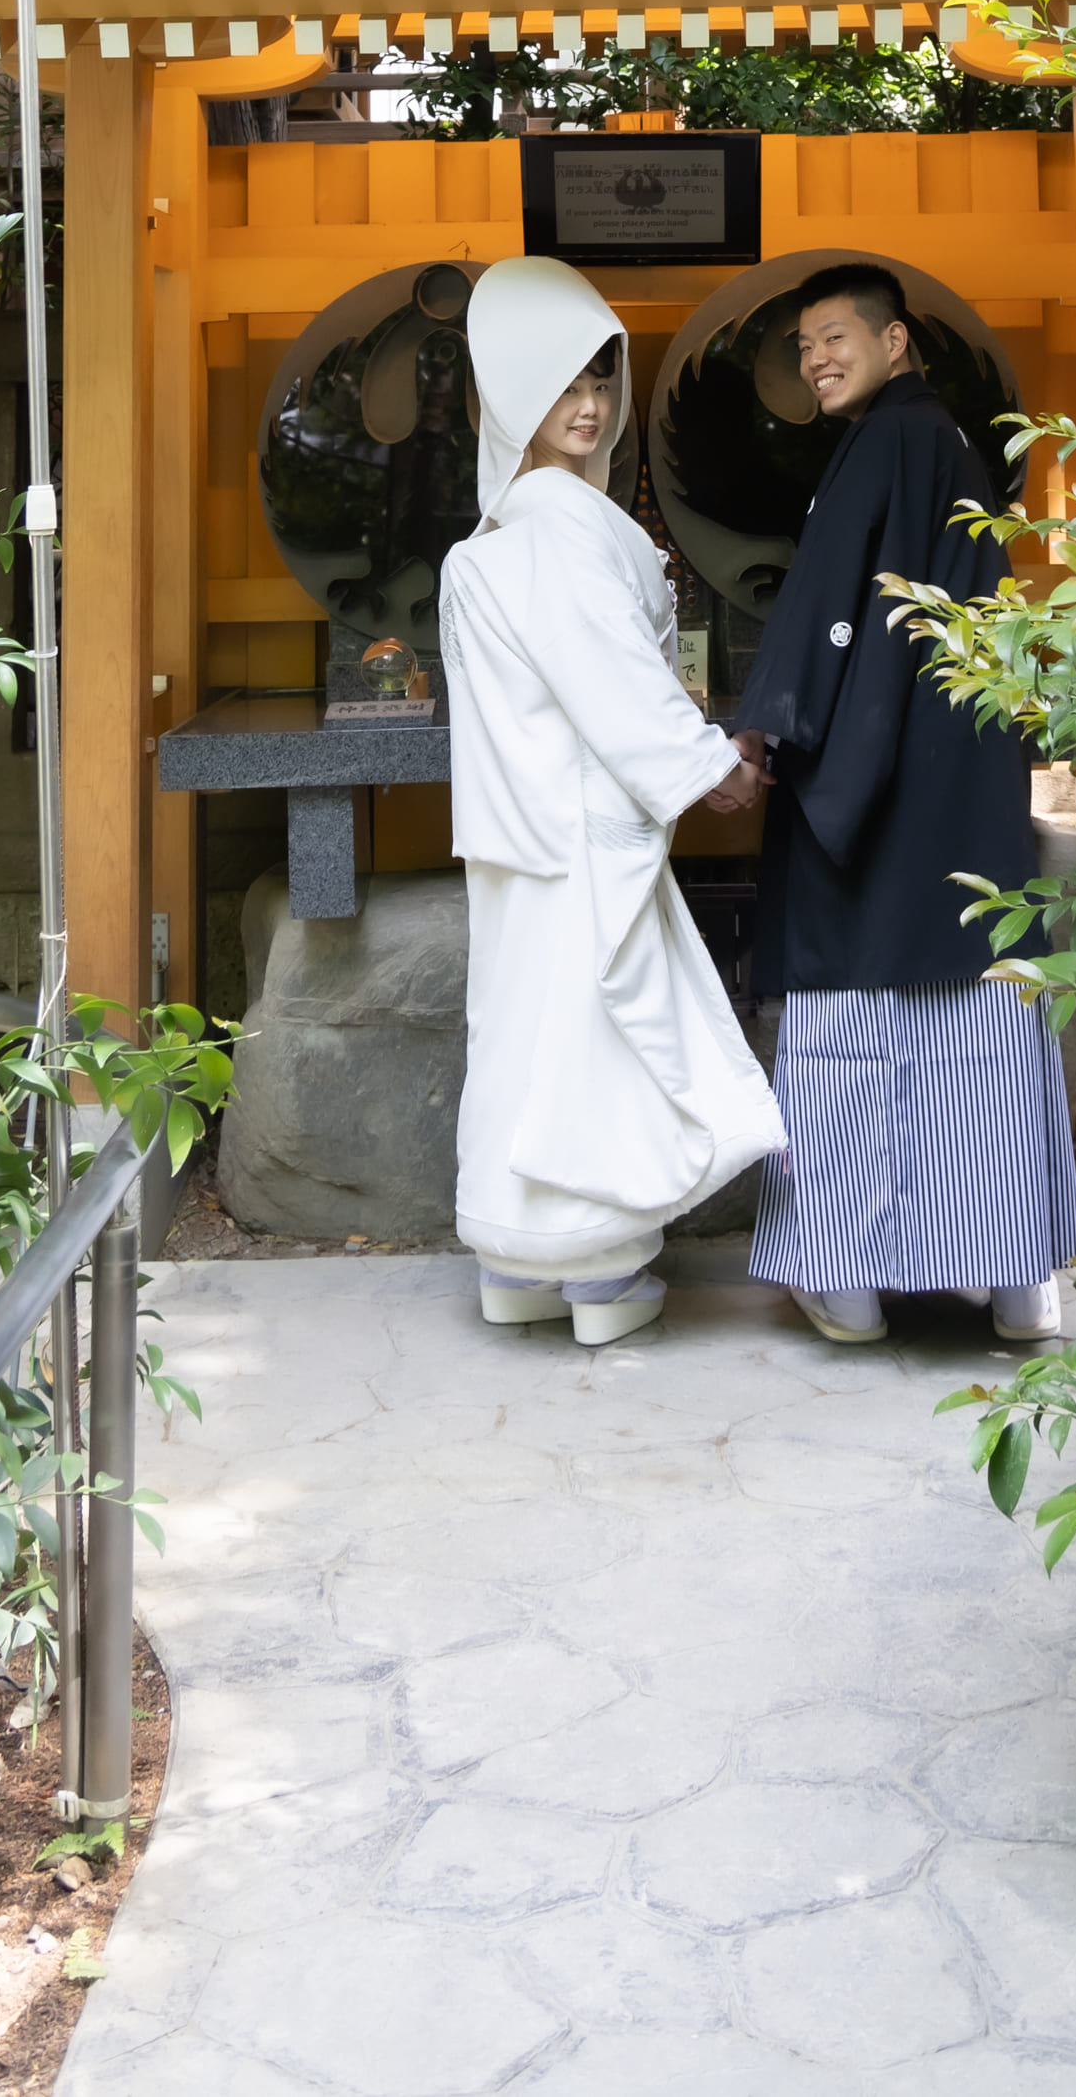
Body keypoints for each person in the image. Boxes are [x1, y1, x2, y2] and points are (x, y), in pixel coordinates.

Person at [731, 262, 1076, 1348]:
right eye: (800, 348)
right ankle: (1013, 1279)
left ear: (896, 345)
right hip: (957, 779)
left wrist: (763, 728)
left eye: (834, 336)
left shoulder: (886, 440)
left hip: (879, 791)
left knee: (848, 1017)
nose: (815, 359)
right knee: (979, 1010)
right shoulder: (949, 446)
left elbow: (830, 600)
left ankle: (844, 1279)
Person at [442, 256, 783, 1343]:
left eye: (599, 382)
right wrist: (707, 767)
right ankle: (594, 1271)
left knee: (523, 1035)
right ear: (506, 396)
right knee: (593, 1040)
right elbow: (614, 685)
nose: (586, 407)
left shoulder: (499, 534)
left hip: (520, 830)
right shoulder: (559, 528)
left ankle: (512, 1260)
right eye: (559, 386)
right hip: (583, 830)